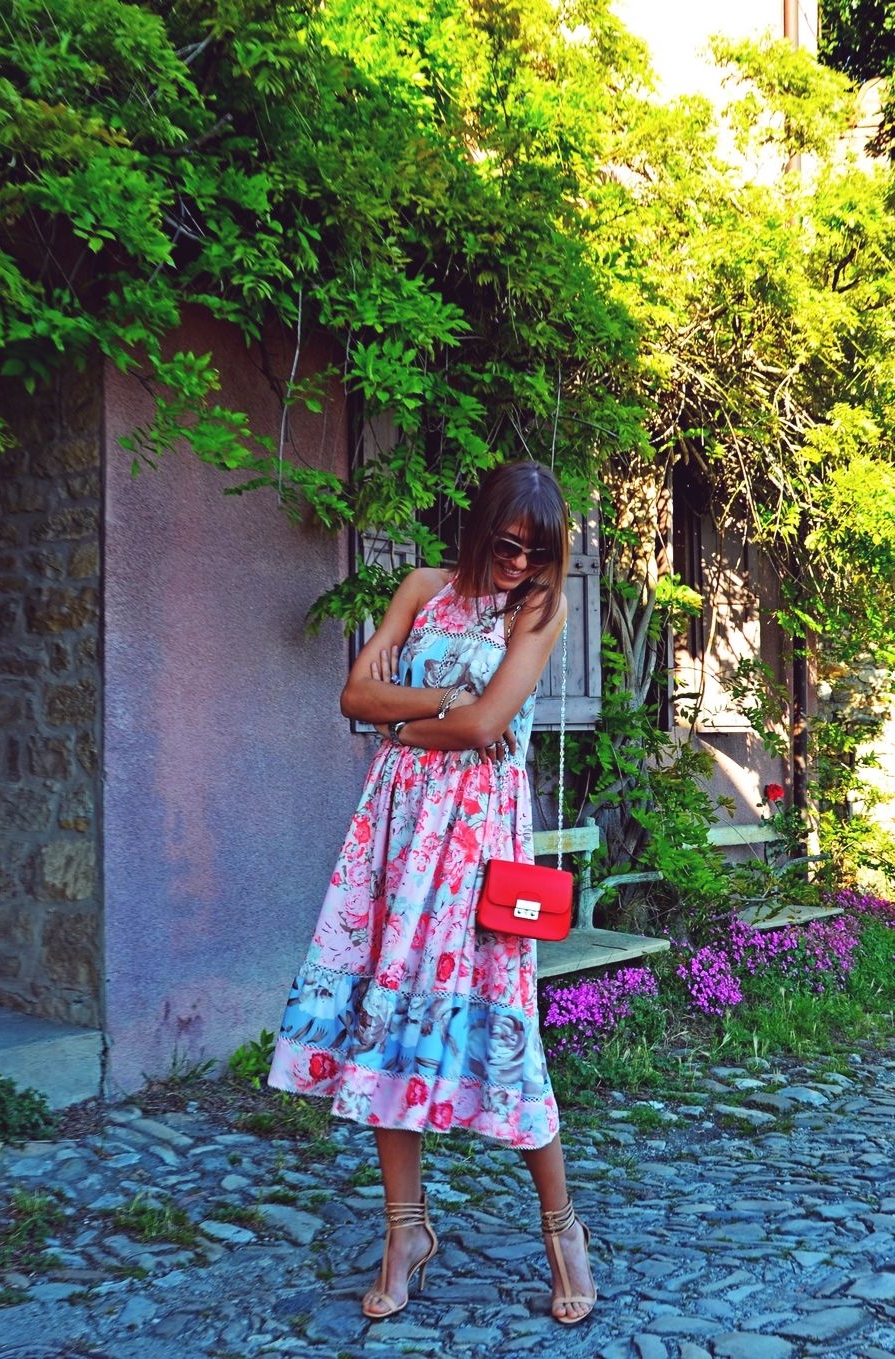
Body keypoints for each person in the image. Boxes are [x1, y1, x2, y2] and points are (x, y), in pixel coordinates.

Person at [268, 460, 596, 1325]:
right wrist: (446, 701)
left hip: (477, 843)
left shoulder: (540, 609)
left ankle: (563, 1228)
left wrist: (403, 722)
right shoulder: (421, 589)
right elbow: (354, 693)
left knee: (506, 1029)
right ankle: (405, 1229)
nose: (521, 563)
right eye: (509, 544)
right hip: (397, 828)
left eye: (538, 552)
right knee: (387, 1015)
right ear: (480, 526)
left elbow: (489, 723)